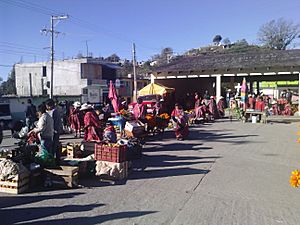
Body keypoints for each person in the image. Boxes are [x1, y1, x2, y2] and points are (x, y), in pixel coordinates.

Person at [45, 99, 63, 165]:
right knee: (55, 146)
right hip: (56, 131)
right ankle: (56, 160)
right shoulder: (56, 111)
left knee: (53, 146)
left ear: (49, 106)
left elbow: (53, 122)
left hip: (54, 131)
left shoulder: (53, 112)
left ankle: (53, 161)